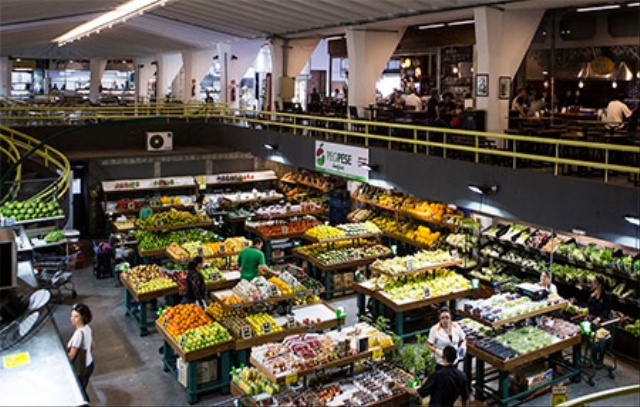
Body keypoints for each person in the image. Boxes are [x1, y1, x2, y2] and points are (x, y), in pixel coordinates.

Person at [403, 346, 469, 407]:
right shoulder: (462, 376)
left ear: (443, 357)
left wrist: (401, 387)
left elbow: (417, 393)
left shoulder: (436, 375)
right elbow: (465, 398)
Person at [68, 303, 95, 402]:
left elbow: (72, 356)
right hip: (90, 364)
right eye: (72, 316)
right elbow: (92, 346)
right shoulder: (87, 328)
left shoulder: (78, 334)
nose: (72, 319)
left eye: (76, 317)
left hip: (82, 369)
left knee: (80, 393)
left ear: (83, 317)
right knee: (82, 389)